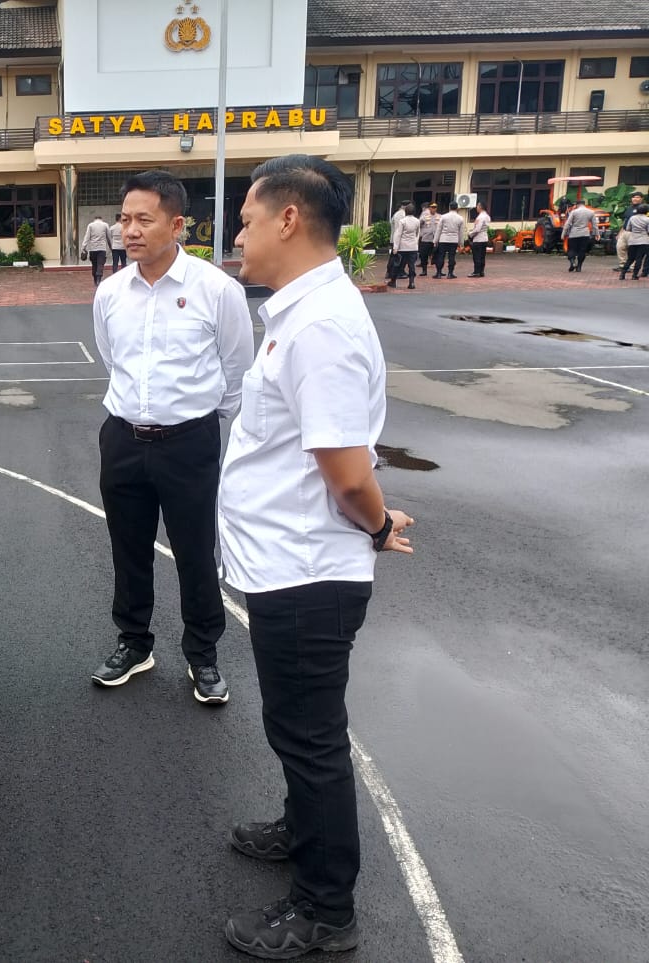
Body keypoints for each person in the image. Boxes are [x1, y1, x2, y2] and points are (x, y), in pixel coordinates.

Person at [221, 153, 415, 959]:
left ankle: (325, 909)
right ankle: (302, 828)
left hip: (305, 573)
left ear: (289, 218)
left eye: (246, 221)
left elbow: (347, 471)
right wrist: (370, 519)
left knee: (311, 739)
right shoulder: (302, 314)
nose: (239, 237)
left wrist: (376, 522)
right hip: (288, 564)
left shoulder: (322, 325)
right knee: (296, 726)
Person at [90, 169, 253, 703]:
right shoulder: (111, 292)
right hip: (122, 439)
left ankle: (202, 655)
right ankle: (134, 643)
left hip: (189, 444)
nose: (130, 230)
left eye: (144, 219)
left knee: (194, 552)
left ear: (177, 224)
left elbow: (237, 368)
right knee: (128, 548)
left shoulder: (217, 289)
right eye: (124, 219)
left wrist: (198, 420)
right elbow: (112, 359)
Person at [387, 203, 420, 289]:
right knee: (411, 265)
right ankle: (411, 282)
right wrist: (415, 242)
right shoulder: (417, 221)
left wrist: (395, 247)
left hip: (403, 246)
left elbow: (398, 234)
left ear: (406, 211)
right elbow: (417, 233)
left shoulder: (402, 221)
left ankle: (393, 281)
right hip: (413, 247)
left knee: (397, 264)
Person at [562, 197, 597, 272]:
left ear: (577, 205)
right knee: (582, 250)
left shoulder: (574, 212)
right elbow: (594, 225)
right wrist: (596, 234)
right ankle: (579, 267)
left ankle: (572, 262)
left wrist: (563, 234)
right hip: (585, 234)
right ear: (584, 204)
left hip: (574, 234)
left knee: (571, 249)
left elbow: (567, 224)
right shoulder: (591, 212)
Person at [614, 190, 645, 273]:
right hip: (625, 231)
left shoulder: (644, 208)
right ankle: (623, 265)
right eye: (633, 197)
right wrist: (620, 233)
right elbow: (625, 220)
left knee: (633, 250)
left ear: (641, 199)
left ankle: (632, 267)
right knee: (620, 247)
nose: (635, 199)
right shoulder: (629, 208)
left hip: (636, 232)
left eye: (637, 197)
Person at [433, 199, 464, 278]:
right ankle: (450, 273)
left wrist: (435, 240)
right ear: (457, 208)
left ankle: (439, 273)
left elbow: (439, 229)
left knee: (441, 256)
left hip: (443, 239)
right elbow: (461, 232)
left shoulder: (443, 217)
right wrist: (461, 243)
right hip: (454, 240)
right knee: (451, 257)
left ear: (449, 207)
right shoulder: (460, 218)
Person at [80, 212, 113, 286]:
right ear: (101, 219)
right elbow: (109, 238)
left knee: (94, 264)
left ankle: (95, 279)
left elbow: (87, 237)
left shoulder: (90, 225)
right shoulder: (105, 225)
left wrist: (83, 247)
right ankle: (98, 279)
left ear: (94, 219)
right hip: (102, 249)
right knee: (100, 264)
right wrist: (111, 247)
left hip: (93, 248)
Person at [619, 202, 649, 280]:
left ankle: (622, 274)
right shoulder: (647, 219)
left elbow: (628, 228)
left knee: (630, 258)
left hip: (632, 240)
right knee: (639, 258)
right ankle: (634, 275)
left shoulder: (632, 218)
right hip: (644, 241)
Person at [385, 200, 408, 282]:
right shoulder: (401, 214)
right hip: (397, 239)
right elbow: (399, 229)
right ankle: (394, 272)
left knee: (395, 256)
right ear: (405, 206)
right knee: (397, 257)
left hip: (396, 238)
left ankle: (392, 272)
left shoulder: (398, 213)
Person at [469, 201, 492, 277]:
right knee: (482, 256)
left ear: (480, 207)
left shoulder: (480, 217)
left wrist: (470, 234)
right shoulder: (487, 216)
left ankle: (476, 272)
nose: (476, 207)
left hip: (478, 239)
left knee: (477, 256)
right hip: (484, 238)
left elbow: (477, 229)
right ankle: (481, 271)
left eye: (477, 206)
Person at [417, 201, 439, 276]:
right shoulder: (424, 216)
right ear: (429, 208)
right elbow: (418, 224)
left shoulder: (439, 216)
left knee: (437, 255)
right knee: (424, 255)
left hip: (435, 239)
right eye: (432, 207)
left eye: (435, 207)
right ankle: (424, 270)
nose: (434, 209)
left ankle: (438, 271)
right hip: (426, 238)